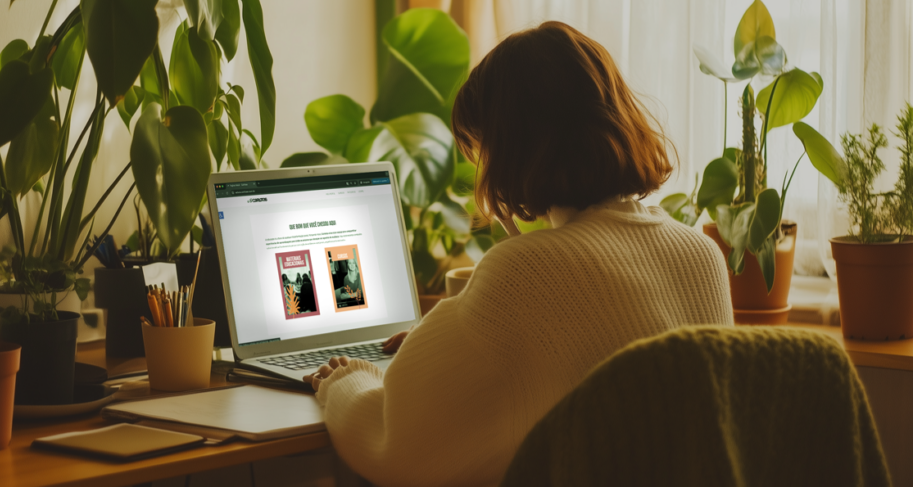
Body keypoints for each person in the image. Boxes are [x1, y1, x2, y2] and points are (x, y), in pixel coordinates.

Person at [303, 21, 733, 486]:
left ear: (511, 149)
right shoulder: (702, 255)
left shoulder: (524, 270)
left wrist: (346, 380)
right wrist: (446, 352)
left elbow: (398, 445)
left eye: (483, 148)